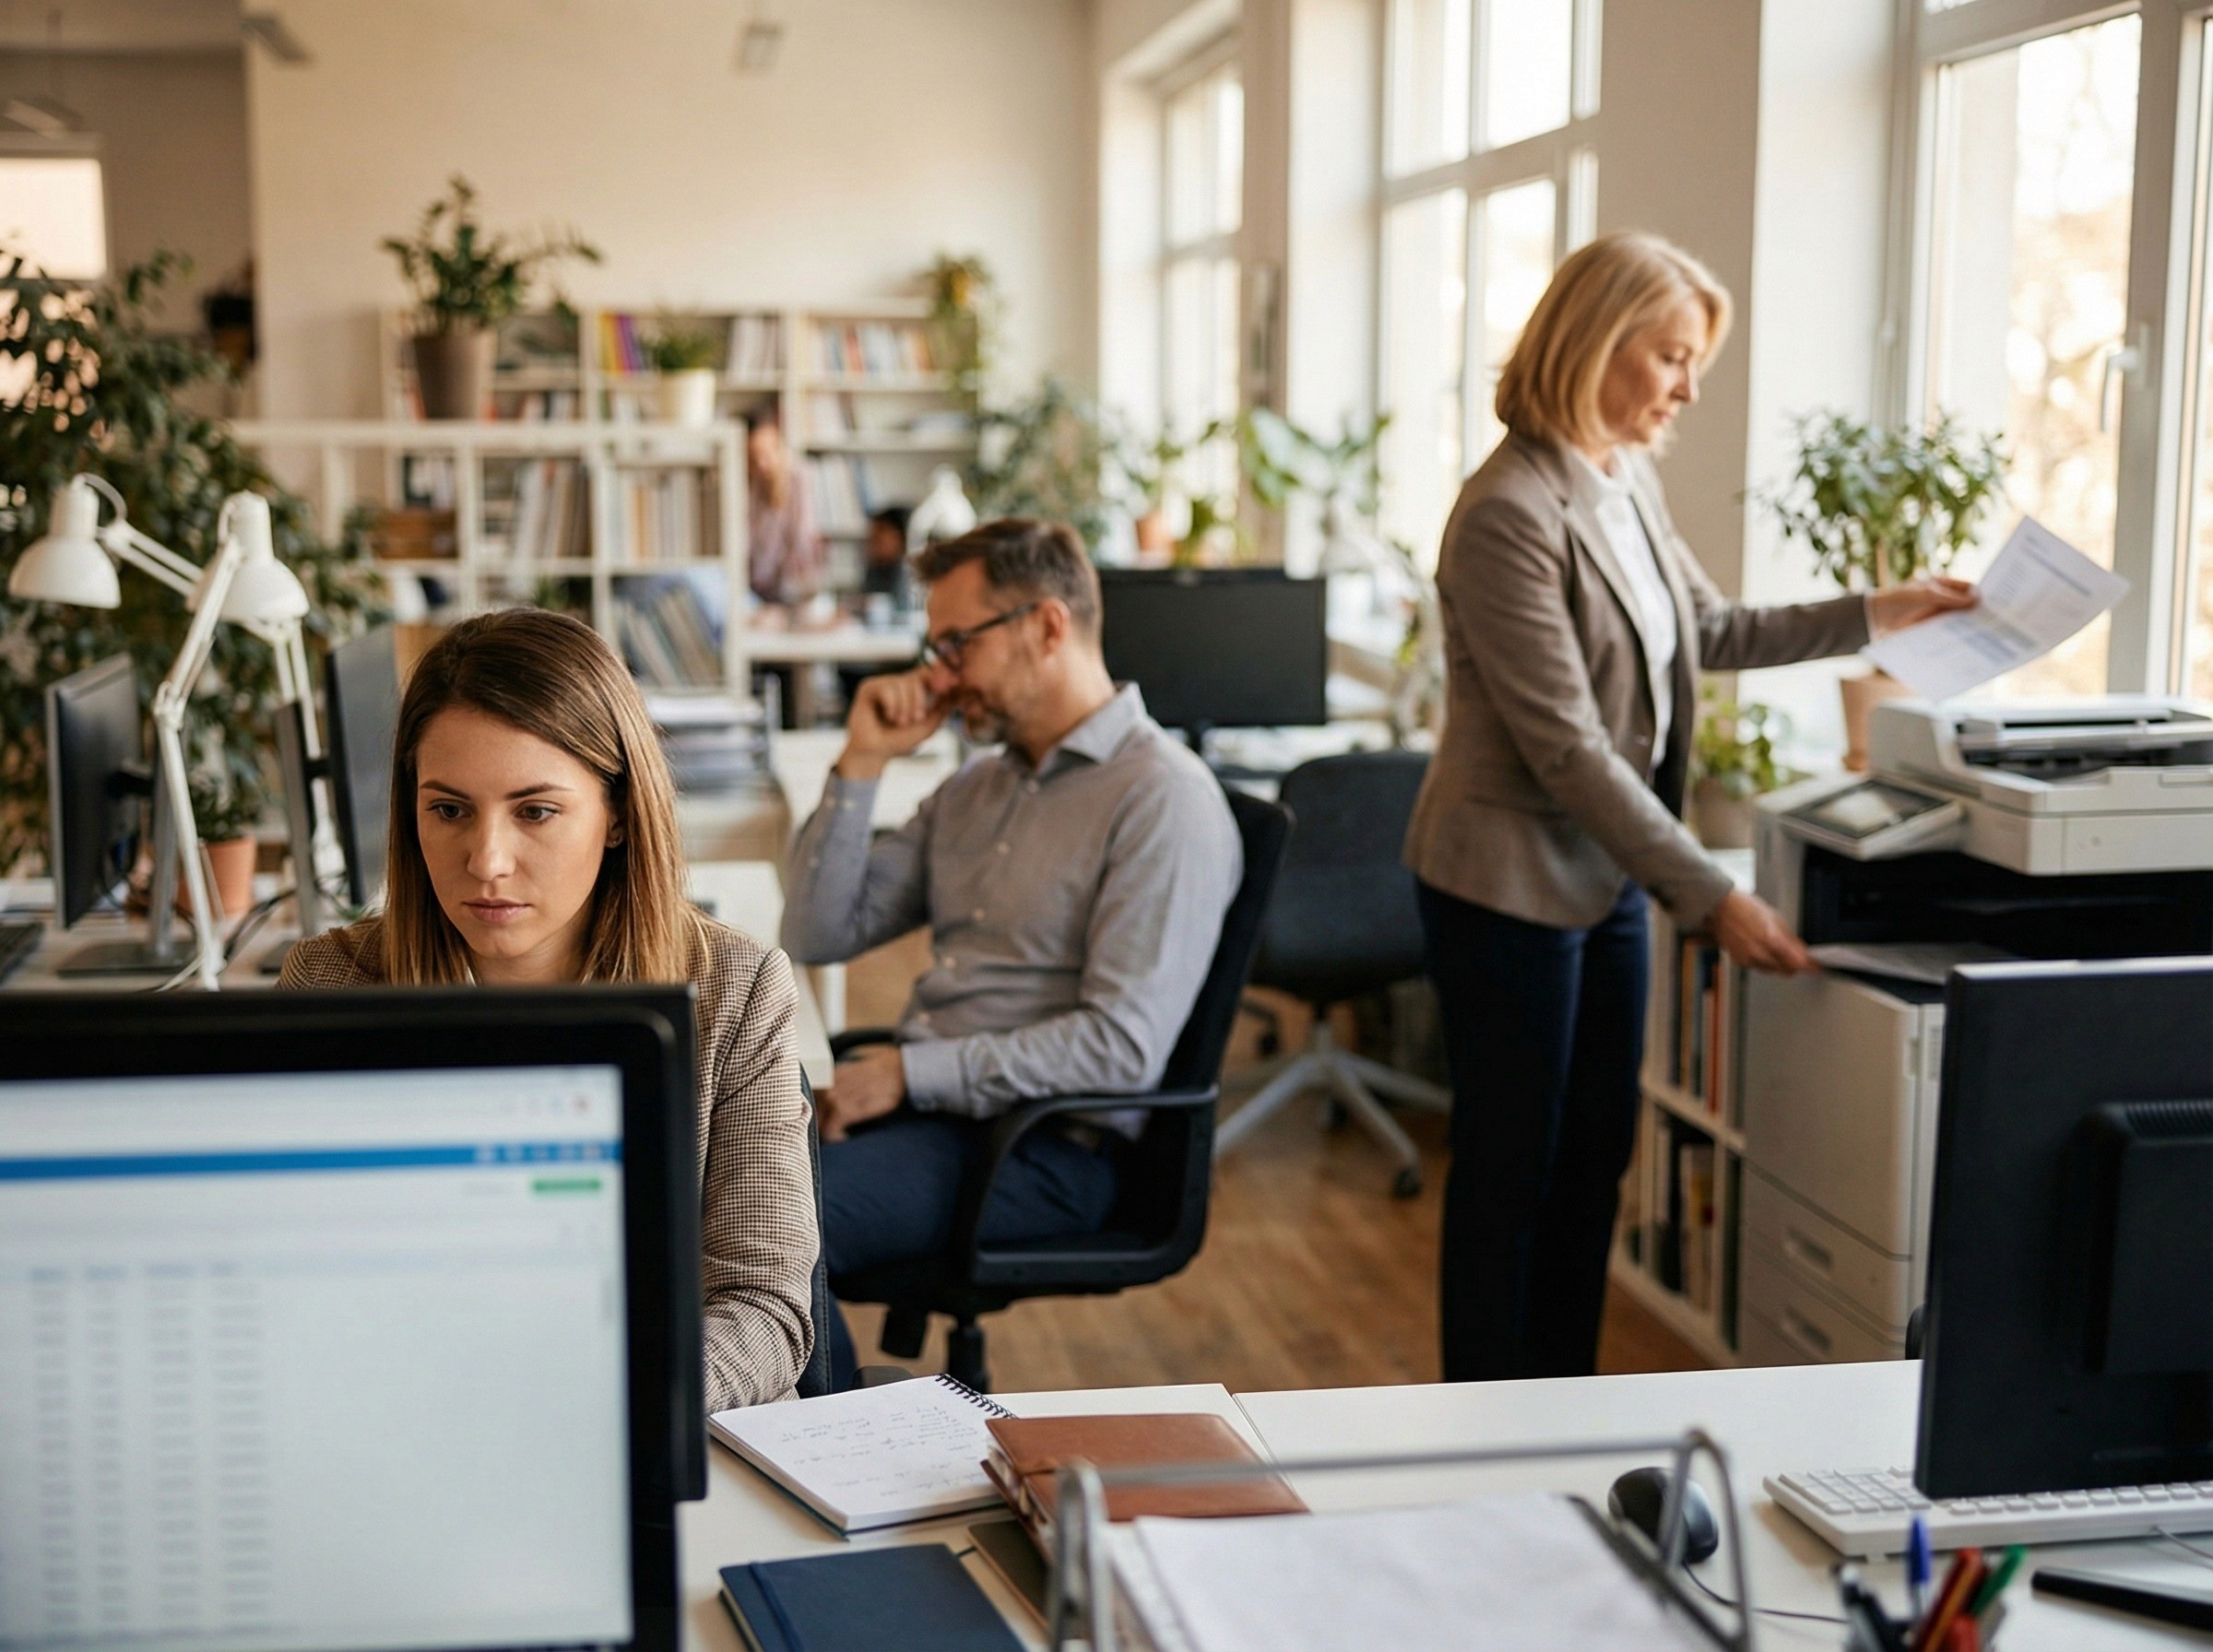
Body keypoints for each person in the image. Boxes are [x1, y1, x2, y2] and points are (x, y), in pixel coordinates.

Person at [1402, 231, 1976, 1385]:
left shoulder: (1622, 478)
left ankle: (1560, 1414)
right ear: (1592, 345)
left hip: (1607, 875)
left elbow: (1712, 631)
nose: (1687, 386)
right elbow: (1566, 745)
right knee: (1514, 1171)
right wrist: (1711, 894)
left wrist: (1881, 611)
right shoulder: (1508, 511)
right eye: (1670, 356)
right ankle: (1476, 1434)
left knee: (1594, 1159)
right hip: (1507, 881)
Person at [280, 608, 818, 1410]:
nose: (486, 861)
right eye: (449, 809)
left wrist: (607, 1398)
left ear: (617, 816)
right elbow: (298, 1285)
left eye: (535, 811)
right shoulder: (331, 990)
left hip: (653, 1433)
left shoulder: (737, 993)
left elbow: (763, 1309)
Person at [780, 517, 1242, 1390]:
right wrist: (862, 760)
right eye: (936, 646)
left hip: (1043, 1147)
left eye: (957, 644)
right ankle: (825, 1435)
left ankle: (833, 1467)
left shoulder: (1162, 800)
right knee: (713, 1185)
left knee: (773, 1232)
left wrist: (911, 1076)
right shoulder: (976, 787)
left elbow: (1119, 1049)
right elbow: (815, 930)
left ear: (1047, 627)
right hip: (936, 1123)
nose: (939, 674)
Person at [747, 416, 825, 608]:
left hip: (793, 584)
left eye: (766, 455)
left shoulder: (798, 478)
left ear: (779, 450)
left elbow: (802, 535)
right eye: (755, 457)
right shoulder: (755, 484)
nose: (761, 464)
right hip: (761, 584)